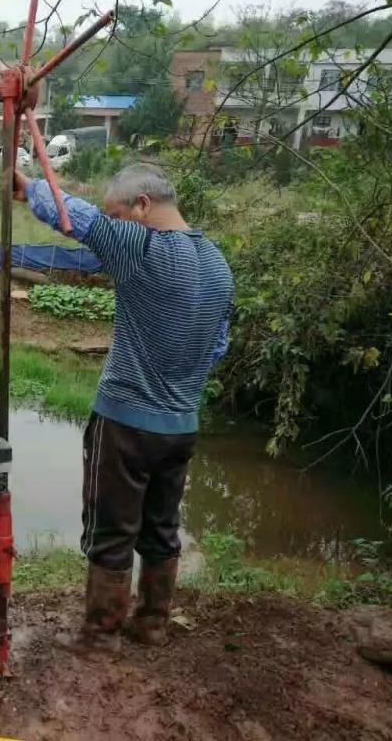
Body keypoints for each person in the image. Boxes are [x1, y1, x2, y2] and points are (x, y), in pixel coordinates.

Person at [15, 163, 233, 650]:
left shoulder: (142, 248)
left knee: (111, 530)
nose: (114, 228)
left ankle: (101, 635)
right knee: (162, 528)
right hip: (181, 426)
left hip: (125, 423)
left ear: (142, 206)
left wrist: (29, 187)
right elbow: (217, 346)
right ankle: (152, 624)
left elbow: (77, 217)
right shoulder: (218, 264)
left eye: (120, 216)